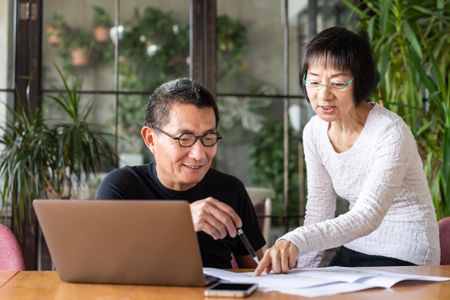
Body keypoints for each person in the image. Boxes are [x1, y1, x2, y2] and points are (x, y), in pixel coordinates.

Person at [255, 27, 440, 275]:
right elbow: (319, 207)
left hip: (405, 253)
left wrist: (297, 239)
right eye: (314, 81)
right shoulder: (314, 131)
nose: (323, 95)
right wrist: (298, 279)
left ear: (360, 83)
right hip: (355, 247)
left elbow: (368, 215)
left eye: (338, 82)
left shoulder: (390, 131)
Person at [96, 78, 265, 269]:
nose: (199, 154)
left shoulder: (230, 189)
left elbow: (255, 269)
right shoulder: (121, 187)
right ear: (150, 138)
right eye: (185, 138)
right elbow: (106, 265)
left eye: (208, 138)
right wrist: (182, 223)